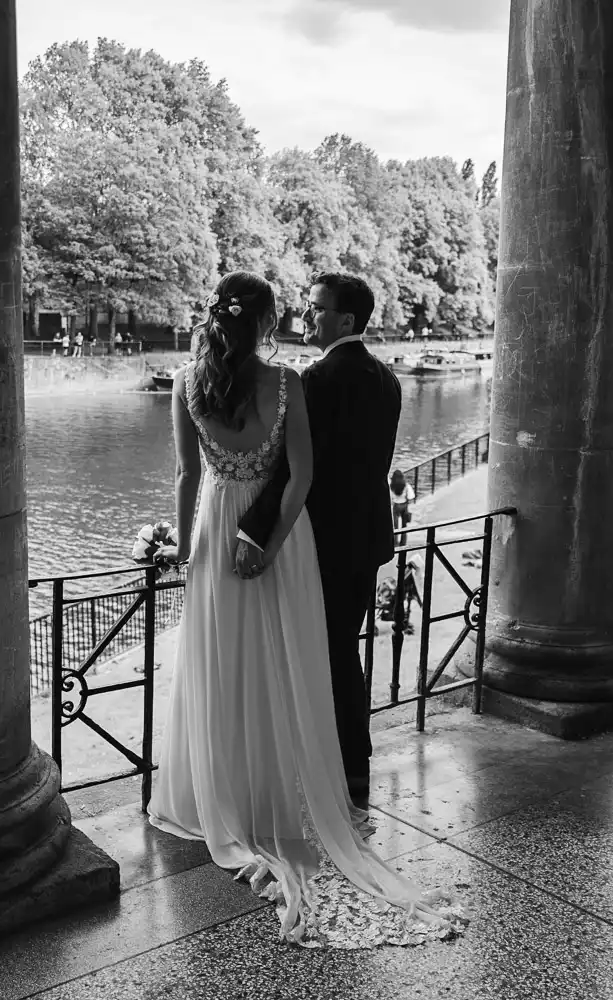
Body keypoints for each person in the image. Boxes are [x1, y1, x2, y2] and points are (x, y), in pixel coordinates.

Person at [147, 270, 456, 947]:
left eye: (318, 310)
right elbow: (316, 469)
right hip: (317, 539)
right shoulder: (345, 380)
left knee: (227, 663)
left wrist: (211, 545)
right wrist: (271, 540)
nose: (306, 320)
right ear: (262, 323)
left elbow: (194, 474)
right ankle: (322, 780)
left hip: (233, 529)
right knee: (302, 660)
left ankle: (234, 789)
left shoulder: (212, 382)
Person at [233, 272, 401, 816]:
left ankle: (313, 772)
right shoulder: (388, 379)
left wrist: (251, 530)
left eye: (316, 308)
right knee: (342, 655)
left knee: (314, 656)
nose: (306, 317)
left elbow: (293, 471)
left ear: (345, 320)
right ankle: (352, 773)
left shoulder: (317, 380)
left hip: (321, 543)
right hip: (367, 538)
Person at [389, 469, 415, 545]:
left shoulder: (391, 486)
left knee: (395, 526)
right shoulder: (406, 485)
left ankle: (395, 543)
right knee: (404, 526)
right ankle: (403, 543)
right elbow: (411, 496)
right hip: (404, 505)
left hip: (396, 505)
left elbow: (390, 497)